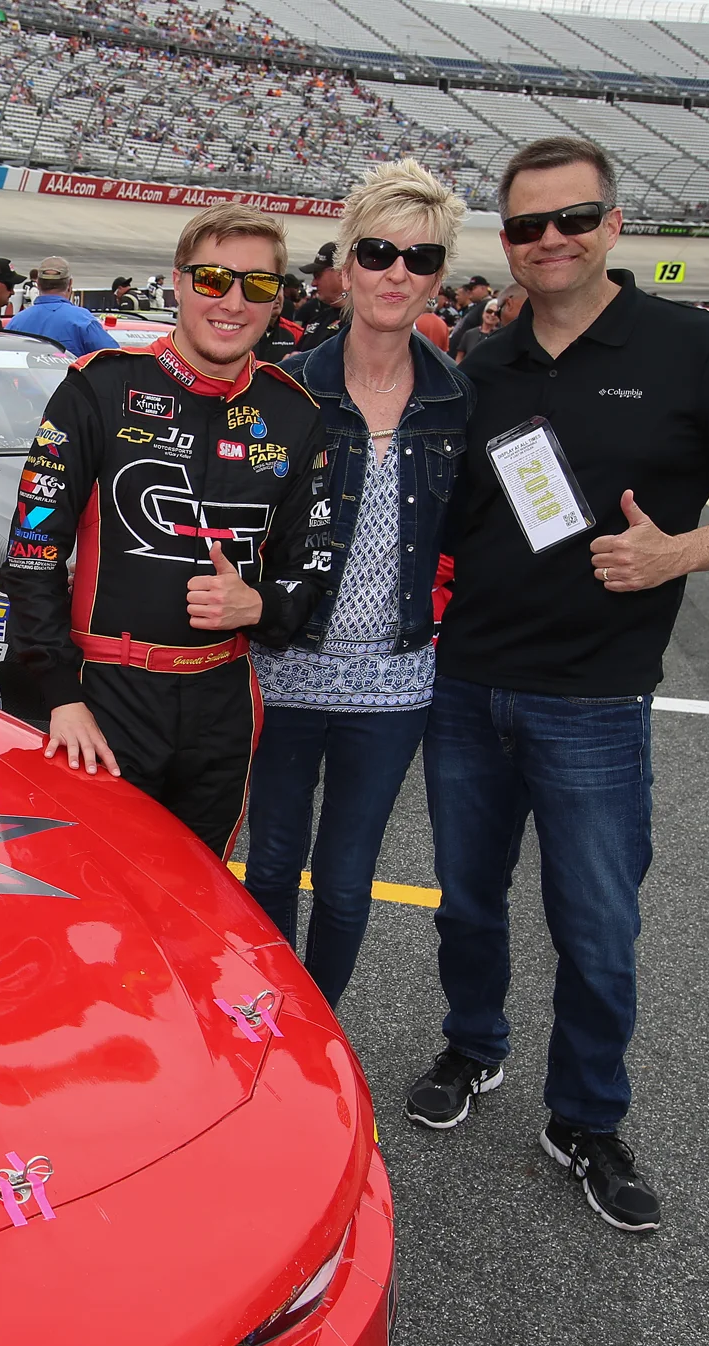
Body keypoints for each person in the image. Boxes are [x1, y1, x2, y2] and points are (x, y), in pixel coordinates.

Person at [417, 136, 709, 1235]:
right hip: (467, 682)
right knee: (464, 899)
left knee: (595, 925)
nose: (549, 241)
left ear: (612, 226)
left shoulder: (694, 351)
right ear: (501, 240)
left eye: (571, 219)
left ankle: (584, 1118)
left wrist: (674, 554)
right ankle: (471, 1045)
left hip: (594, 699)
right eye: (524, 225)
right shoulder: (478, 362)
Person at [4, 204, 331, 859]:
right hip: (101, 698)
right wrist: (60, 696)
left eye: (258, 286)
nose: (234, 301)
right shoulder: (99, 387)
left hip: (221, 702)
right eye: (214, 279)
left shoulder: (295, 414)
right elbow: (33, 550)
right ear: (178, 282)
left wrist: (261, 603)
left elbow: (315, 564)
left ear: (276, 301)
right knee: (90, 902)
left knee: (194, 908)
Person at [246, 159, 473, 1008]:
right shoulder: (285, 386)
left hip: (394, 685)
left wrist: (439, 604)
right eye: (378, 252)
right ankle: (267, 1025)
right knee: (269, 865)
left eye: (419, 260)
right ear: (346, 262)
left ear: (439, 278)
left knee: (344, 882)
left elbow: (472, 536)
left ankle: (316, 1031)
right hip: (281, 667)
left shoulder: (457, 398)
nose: (396, 274)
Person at [7, 257, 113, 355]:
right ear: (70, 284)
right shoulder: (83, 321)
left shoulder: (16, 322)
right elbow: (114, 357)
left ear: (38, 284)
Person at [292, 242, 345, 350]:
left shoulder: (361, 323)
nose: (313, 283)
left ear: (341, 273)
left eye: (318, 276)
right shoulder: (318, 319)